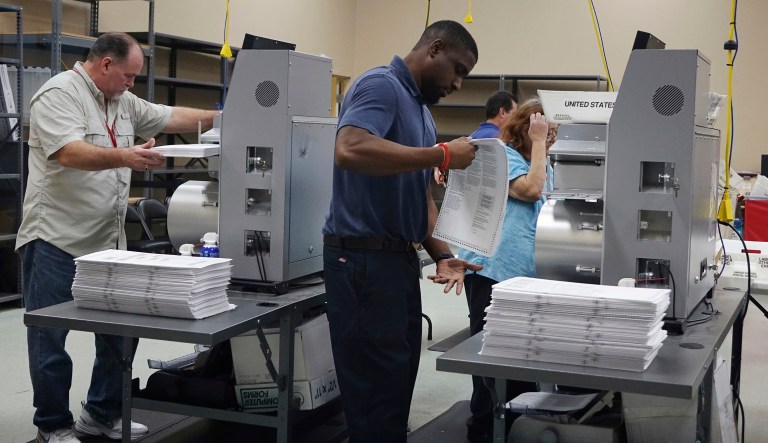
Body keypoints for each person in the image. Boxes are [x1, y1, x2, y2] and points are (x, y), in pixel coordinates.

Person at [15, 32, 219, 443]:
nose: (131, 85)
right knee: (51, 337)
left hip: (106, 240)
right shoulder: (60, 94)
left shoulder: (122, 101)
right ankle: (52, 426)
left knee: (120, 333)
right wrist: (126, 156)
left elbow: (169, 116)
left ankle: (102, 413)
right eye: (128, 76)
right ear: (105, 64)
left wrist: (226, 116)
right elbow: (68, 152)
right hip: (56, 237)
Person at [322, 20, 483, 443]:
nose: (458, 84)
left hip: (396, 262)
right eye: (459, 69)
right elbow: (349, 148)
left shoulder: (422, 114)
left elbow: (421, 201)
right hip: (361, 261)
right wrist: (443, 153)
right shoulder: (381, 86)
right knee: (373, 391)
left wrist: (444, 253)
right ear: (435, 47)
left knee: (396, 381)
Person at [458, 98, 557, 442]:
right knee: (488, 357)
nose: (550, 138)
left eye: (553, 133)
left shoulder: (541, 161)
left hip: (523, 275)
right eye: (546, 132)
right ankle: (483, 428)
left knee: (516, 357)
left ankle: (513, 424)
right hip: (492, 271)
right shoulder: (504, 156)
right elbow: (529, 192)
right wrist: (540, 142)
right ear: (525, 130)